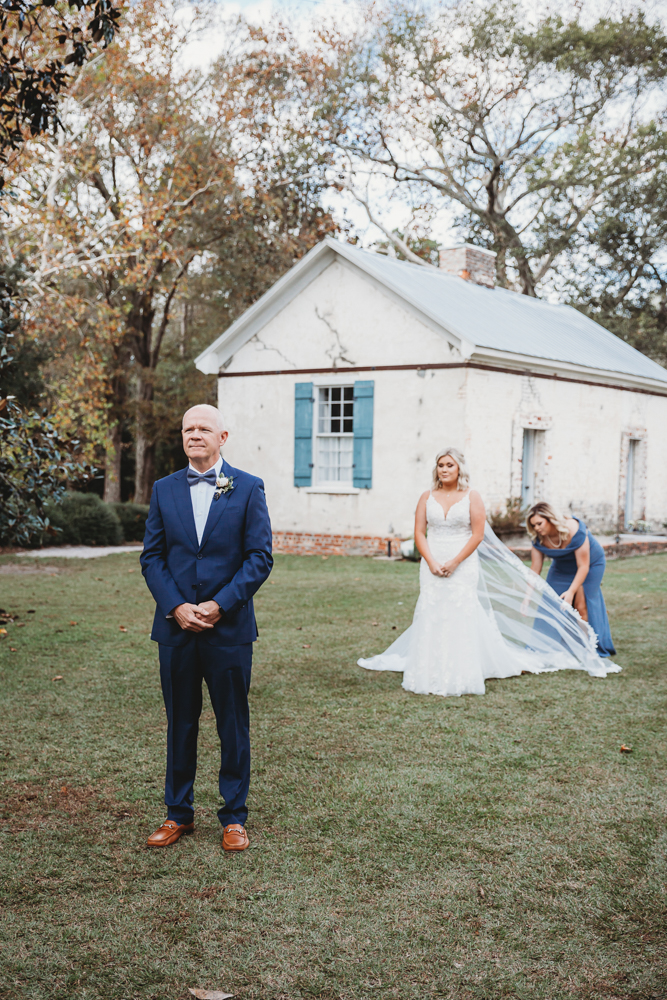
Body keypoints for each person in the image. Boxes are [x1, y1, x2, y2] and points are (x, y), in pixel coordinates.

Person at [358, 447, 619, 696]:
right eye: (440, 465)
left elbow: (478, 534)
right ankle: (428, 668)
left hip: (463, 563)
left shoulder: (472, 496)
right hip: (432, 563)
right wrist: (430, 561)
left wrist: (454, 562)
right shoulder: (426, 497)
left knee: (460, 611)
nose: (444, 469)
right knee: (432, 609)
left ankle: (461, 671)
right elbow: (418, 533)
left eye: (450, 465)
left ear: (459, 468)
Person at [140, 404, 272, 850]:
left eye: (204, 429)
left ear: (223, 437)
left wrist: (220, 604)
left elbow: (259, 558)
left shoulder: (249, 488)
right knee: (181, 722)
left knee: (233, 724)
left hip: (229, 630)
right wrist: (176, 606)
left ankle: (234, 817)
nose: (194, 435)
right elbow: (152, 558)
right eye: (187, 429)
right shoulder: (163, 489)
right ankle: (179, 814)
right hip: (176, 630)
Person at [526, 502, 616, 658]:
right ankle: (544, 645)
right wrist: (527, 598)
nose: (536, 528)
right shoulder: (538, 539)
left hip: (591, 564)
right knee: (551, 602)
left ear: (550, 519)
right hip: (562, 568)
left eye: (539, 523)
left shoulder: (573, 529)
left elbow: (583, 566)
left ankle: (589, 647)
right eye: (533, 525)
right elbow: (535, 569)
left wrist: (571, 591)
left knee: (582, 604)